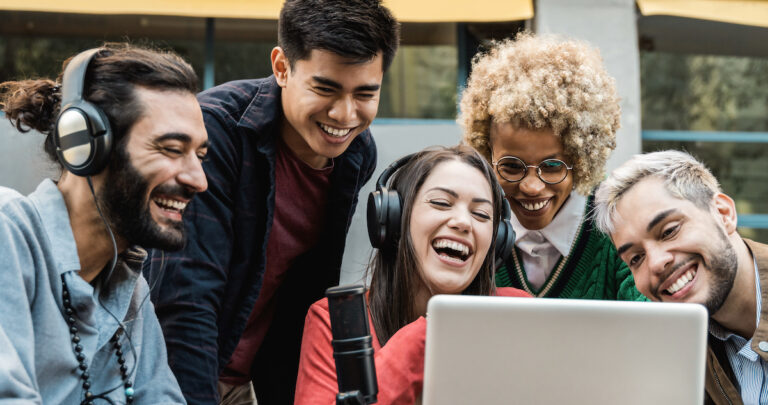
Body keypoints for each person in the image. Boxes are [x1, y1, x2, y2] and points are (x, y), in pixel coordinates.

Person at [142, 0, 401, 403]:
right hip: (172, 373)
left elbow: (304, 289)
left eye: (365, 93)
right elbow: (186, 295)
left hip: (250, 379)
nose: (345, 114)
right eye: (325, 88)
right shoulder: (214, 133)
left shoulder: (355, 153)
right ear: (282, 67)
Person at [0, 43, 208, 404]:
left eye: (200, 155)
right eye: (172, 149)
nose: (198, 180)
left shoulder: (129, 285)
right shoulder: (8, 233)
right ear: (87, 146)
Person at [294, 145, 531, 405]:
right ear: (395, 220)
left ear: (496, 242)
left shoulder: (515, 312)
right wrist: (430, 331)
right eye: (441, 203)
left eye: (481, 214)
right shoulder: (338, 320)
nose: (463, 222)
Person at [458, 33, 645, 301]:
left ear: (581, 160)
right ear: (488, 156)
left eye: (553, 166)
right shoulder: (470, 223)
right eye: (512, 166)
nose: (532, 186)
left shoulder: (618, 221)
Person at [594, 150, 768, 405]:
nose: (656, 263)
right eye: (635, 258)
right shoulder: (678, 353)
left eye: (669, 231)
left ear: (723, 213)